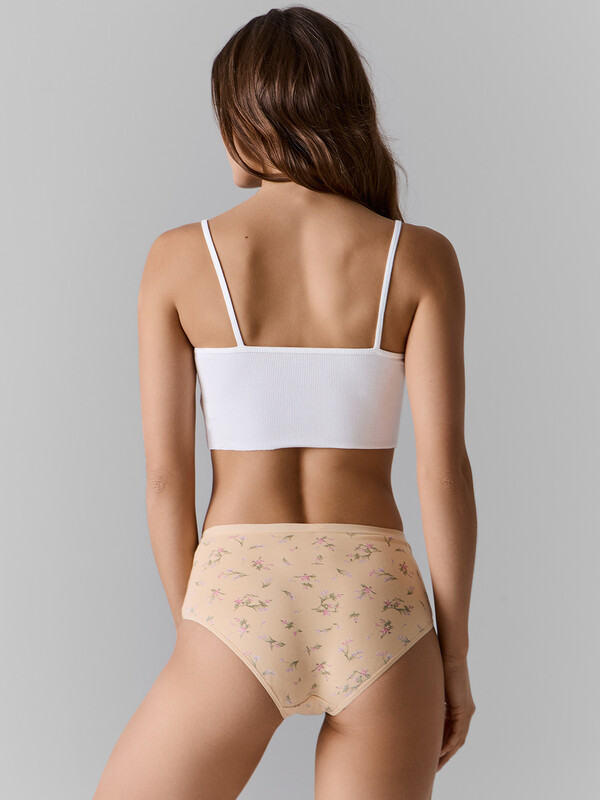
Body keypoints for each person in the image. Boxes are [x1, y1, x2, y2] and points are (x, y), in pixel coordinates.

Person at [93, 6, 477, 799]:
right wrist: (454, 657)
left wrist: (201, 626)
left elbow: (166, 481)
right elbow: (443, 473)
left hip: (239, 589)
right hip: (378, 602)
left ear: (246, 116)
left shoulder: (179, 258)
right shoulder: (418, 258)